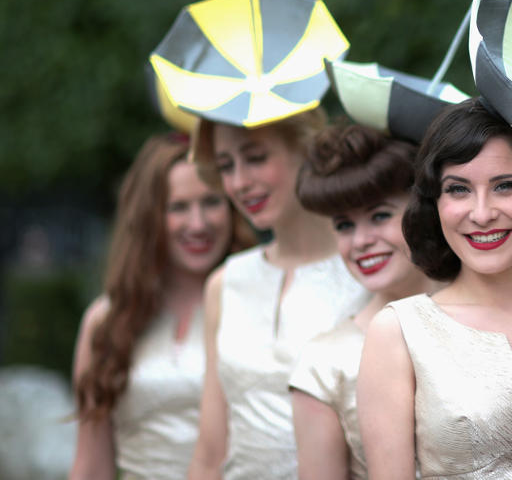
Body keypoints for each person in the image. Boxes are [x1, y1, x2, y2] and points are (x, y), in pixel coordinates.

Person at [357, 99, 512, 479]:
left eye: (505, 186)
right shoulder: (400, 330)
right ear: (435, 203)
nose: (481, 214)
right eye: (458, 190)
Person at [188, 109, 371, 480]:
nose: (239, 182)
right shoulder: (225, 283)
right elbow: (210, 453)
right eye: (226, 166)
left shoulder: (371, 271)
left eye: (256, 158)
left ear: (305, 148)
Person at [70, 132, 254, 480]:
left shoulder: (255, 304)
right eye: (178, 207)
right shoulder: (107, 320)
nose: (198, 224)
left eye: (211, 202)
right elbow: (91, 465)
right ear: (147, 217)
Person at [288, 123, 440, 480]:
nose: (360, 241)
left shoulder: (496, 321)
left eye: (379, 216)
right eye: (344, 225)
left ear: (424, 209)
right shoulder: (324, 363)